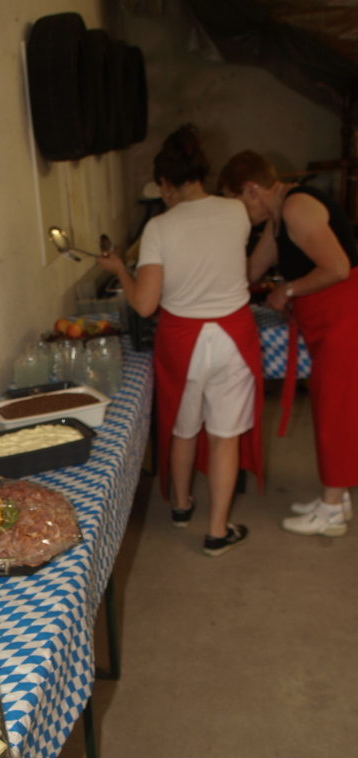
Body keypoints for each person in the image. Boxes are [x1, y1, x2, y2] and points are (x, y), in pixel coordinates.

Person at [98, 124, 263, 557]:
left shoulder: (159, 227)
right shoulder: (236, 211)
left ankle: (182, 507)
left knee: (183, 429)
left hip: (183, 341)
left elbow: (145, 304)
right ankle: (217, 531)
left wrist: (121, 270)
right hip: (233, 336)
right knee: (225, 437)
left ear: (166, 183)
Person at [217, 151, 358, 537]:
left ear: (252, 190)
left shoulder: (297, 208)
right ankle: (338, 495)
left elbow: (337, 268)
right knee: (329, 406)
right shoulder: (277, 217)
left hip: (346, 315)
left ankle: (331, 510)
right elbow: (251, 270)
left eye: (235, 201)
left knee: (336, 410)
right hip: (326, 320)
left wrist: (289, 289)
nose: (236, 212)